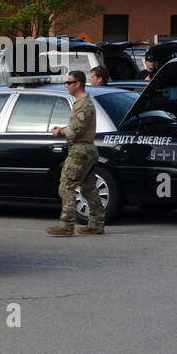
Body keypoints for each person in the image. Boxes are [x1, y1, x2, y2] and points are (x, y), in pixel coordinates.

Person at [47, 70, 105, 236]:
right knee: (88, 188)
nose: (66, 85)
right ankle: (96, 223)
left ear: (78, 84)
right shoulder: (82, 102)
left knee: (66, 186)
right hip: (85, 149)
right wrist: (64, 129)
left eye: (69, 82)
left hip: (81, 149)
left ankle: (66, 225)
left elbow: (78, 129)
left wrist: (60, 132)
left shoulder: (83, 103)